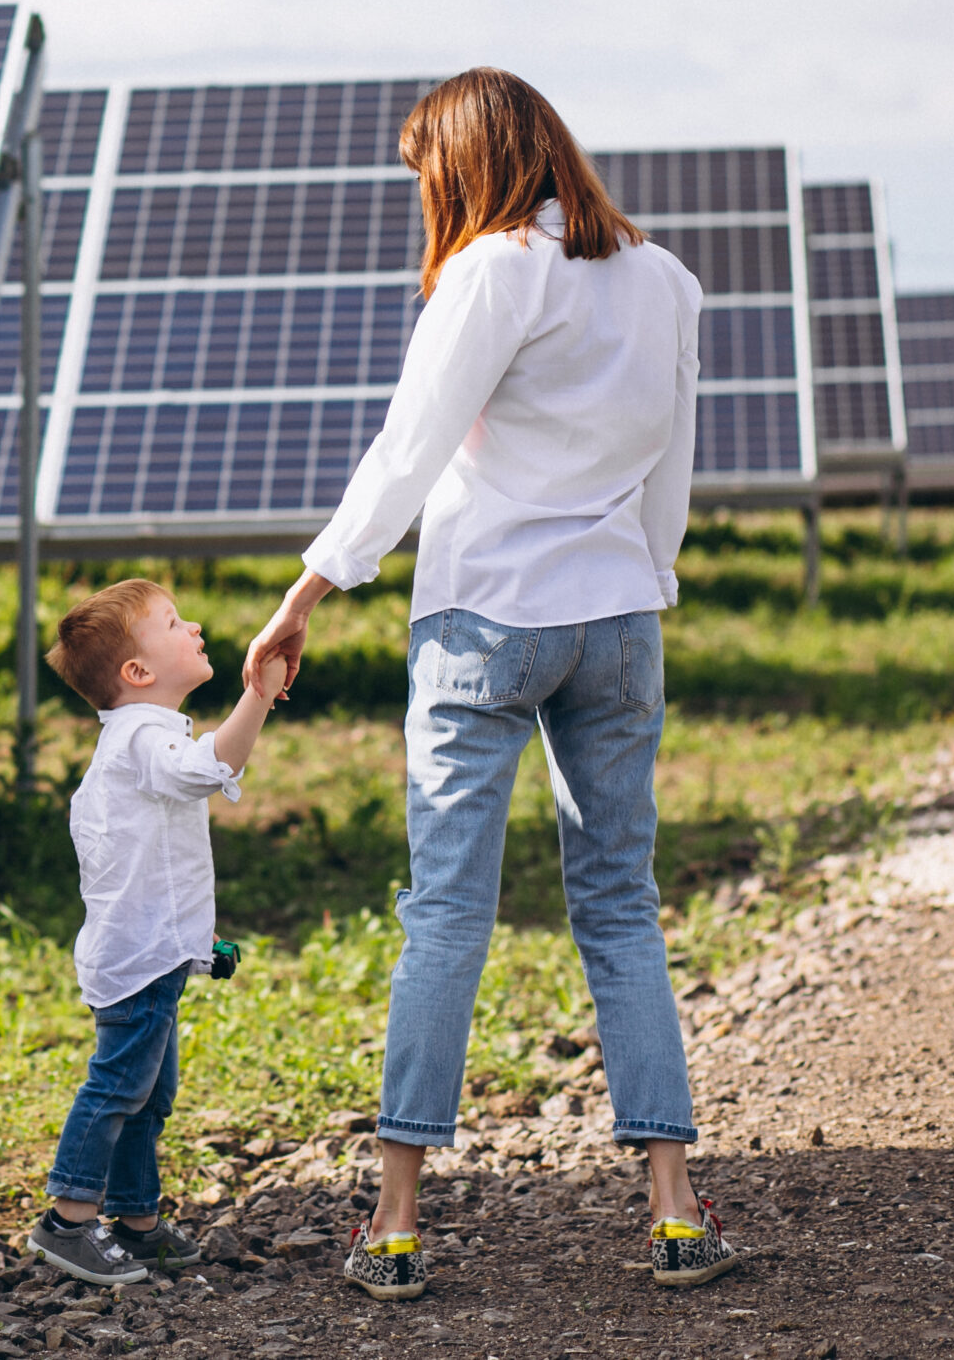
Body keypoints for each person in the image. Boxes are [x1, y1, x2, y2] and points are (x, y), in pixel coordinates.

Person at [241, 68, 736, 1301]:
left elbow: (410, 445)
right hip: (618, 618)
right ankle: (676, 1211)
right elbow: (671, 458)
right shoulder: (664, 279)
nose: (423, 193)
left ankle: (396, 1225)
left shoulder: (492, 269)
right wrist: (650, 575)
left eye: (426, 172)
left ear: (463, 165)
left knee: (447, 915)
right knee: (620, 905)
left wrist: (308, 592)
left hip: (486, 620)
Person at [26, 579, 288, 1286]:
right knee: (118, 1089)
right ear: (137, 673)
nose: (194, 626)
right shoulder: (142, 738)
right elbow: (211, 769)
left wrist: (202, 949)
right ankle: (67, 1219)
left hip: (154, 957)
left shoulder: (141, 738)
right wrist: (257, 695)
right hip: (138, 962)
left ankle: (137, 1219)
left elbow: (158, 867)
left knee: (149, 1094)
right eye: (174, 623)